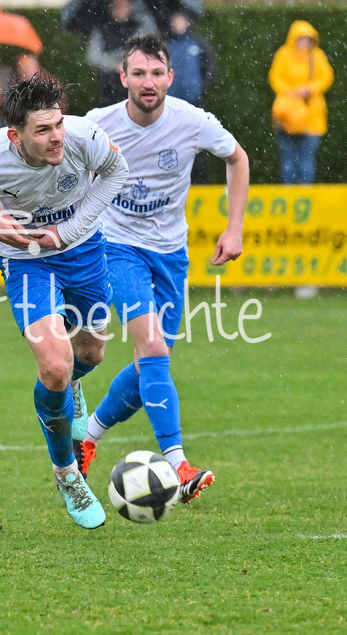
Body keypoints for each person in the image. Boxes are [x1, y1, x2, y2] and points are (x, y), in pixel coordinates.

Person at [0, 74, 130, 529]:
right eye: (43, 131)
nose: (56, 138)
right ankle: (67, 472)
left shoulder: (84, 136)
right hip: (26, 257)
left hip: (83, 248)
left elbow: (117, 173)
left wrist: (66, 233)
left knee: (92, 353)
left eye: (58, 125)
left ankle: (72, 384)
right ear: (16, 136)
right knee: (54, 364)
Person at [75, 34, 249, 504]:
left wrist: (234, 230)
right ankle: (179, 464)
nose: (148, 82)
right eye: (139, 73)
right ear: (123, 77)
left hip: (171, 254)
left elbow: (238, 157)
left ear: (171, 78)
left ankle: (85, 439)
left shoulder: (192, 122)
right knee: (151, 344)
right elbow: (57, 160)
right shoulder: (97, 125)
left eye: (157, 73)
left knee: (152, 361)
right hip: (116, 248)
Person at [268, 20, 334, 185]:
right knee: (288, 158)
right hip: (287, 115)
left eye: (308, 39)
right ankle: (289, 192)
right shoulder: (283, 54)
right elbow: (275, 77)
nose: (304, 43)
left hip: (311, 116)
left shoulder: (317, 56)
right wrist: (291, 92)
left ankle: (305, 192)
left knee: (306, 157)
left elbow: (326, 78)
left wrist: (308, 89)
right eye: (301, 39)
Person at [166, 9, 217, 184]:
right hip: (170, 107)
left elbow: (210, 69)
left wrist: (200, 89)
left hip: (194, 104)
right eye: (175, 19)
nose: (178, 23)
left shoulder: (198, 43)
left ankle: (199, 183)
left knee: (197, 147)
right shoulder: (166, 45)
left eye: (181, 19)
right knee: (172, 148)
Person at [85, 0, 157, 106]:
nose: (121, 9)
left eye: (124, 4)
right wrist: (114, 64)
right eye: (117, 5)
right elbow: (93, 57)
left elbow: (148, 51)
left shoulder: (139, 28)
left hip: (134, 86)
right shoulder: (102, 29)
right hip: (108, 86)